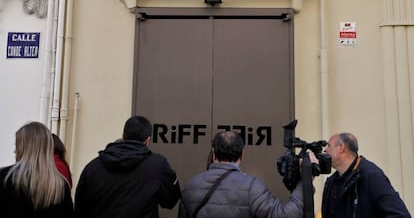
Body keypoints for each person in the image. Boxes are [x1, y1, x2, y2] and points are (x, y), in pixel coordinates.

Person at [179, 130, 318, 218]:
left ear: (213, 154)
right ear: (242, 155)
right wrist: (305, 180)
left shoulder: (191, 185)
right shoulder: (252, 186)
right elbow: (287, 215)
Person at [74, 115, 181, 218]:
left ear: (123, 136)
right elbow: (171, 200)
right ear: (147, 140)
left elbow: (80, 209)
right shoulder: (158, 165)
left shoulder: (93, 168)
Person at [322, 132, 411, 218]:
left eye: (329, 146)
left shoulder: (371, 176)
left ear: (340, 147)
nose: (325, 150)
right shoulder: (331, 182)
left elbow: (399, 215)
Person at [0, 121, 74, 218]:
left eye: (17, 146)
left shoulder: (5, 177)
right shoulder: (61, 185)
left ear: (25, 148)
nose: (15, 151)